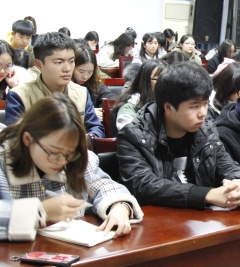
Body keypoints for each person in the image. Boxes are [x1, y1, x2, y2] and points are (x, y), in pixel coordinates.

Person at [0, 94, 143, 241]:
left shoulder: (75, 158)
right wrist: (41, 210)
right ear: (27, 139)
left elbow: (103, 185)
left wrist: (119, 206)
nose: (62, 161)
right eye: (54, 153)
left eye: (69, 154)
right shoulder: (3, 159)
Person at [117, 62, 240, 210]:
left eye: (206, 104)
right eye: (194, 106)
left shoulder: (206, 129)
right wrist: (206, 195)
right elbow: (143, 185)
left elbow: (228, 165)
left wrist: (238, 184)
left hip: (203, 218)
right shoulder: (134, 136)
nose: (203, 113)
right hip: (160, 219)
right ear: (168, 107)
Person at [6, 32, 105, 139]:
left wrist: (88, 139)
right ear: (39, 64)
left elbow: (96, 128)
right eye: (58, 62)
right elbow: (14, 138)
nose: (67, 68)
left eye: (71, 61)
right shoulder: (19, 96)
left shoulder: (81, 93)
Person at [113, 60, 169, 132]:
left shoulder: (170, 105)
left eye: (167, 80)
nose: (164, 84)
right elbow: (131, 134)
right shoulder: (130, 107)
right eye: (159, 79)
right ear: (145, 82)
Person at [71, 45, 116, 119]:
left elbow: (111, 98)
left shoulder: (95, 84)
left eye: (90, 72)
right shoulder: (65, 86)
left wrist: (103, 109)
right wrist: (89, 112)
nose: (85, 76)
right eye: (81, 71)